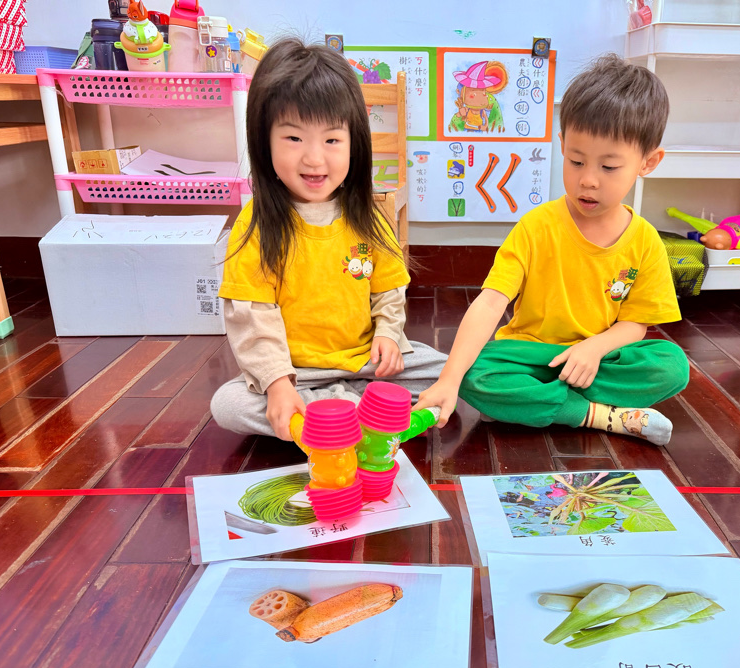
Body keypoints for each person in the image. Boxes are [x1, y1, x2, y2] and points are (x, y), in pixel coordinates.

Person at [416, 54, 689, 446]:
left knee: (671, 365)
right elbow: (491, 302)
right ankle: (600, 415)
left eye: (609, 167)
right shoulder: (536, 226)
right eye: (576, 161)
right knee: (473, 375)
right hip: (531, 357)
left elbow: (635, 325)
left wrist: (593, 348)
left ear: (649, 162)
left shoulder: (645, 241)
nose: (588, 180)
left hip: (596, 361)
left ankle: (538, 404)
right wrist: (449, 379)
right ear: (562, 146)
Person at [211, 38, 446, 441]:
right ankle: (354, 412)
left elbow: (389, 289)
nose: (314, 158)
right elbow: (251, 315)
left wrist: (388, 335)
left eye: (332, 140)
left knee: (452, 371)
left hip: (366, 365)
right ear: (264, 141)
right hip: (296, 374)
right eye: (294, 139)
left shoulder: (369, 215)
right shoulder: (257, 222)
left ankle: (335, 414)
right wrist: (277, 383)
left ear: (355, 142)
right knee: (228, 405)